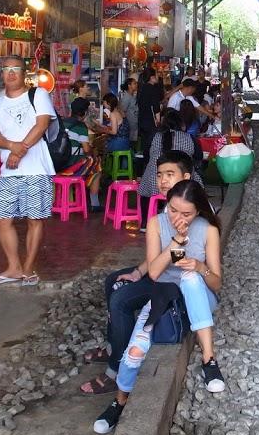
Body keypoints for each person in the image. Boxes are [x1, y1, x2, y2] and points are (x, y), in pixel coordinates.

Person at [93, 179, 224, 434]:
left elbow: (216, 283)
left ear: (198, 211)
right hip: (164, 298)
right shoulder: (156, 223)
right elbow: (154, 272)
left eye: (186, 213)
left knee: (190, 279)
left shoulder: (208, 230)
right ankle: (119, 401)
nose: (177, 216)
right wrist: (177, 240)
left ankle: (209, 360)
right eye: (173, 209)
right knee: (133, 354)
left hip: (199, 298)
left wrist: (200, 267)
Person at [80, 151, 194, 395]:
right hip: (160, 273)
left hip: (176, 284)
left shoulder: (192, 211)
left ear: (186, 177)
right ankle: (114, 347)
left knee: (121, 299)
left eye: (170, 175)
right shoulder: (168, 209)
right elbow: (159, 253)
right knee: (114, 280)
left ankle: (115, 371)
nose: (163, 181)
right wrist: (139, 271)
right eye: (160, 175)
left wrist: (156, 265)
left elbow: (183, 256)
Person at [0, 55, 56, 288]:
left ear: (25, 73)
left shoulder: (39, 95)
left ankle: (28, 269)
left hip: (36, 168)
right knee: (2, 219)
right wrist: (12, 147)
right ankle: (13, 267)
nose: (11, 73)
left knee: (35, 219)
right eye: (6, 69)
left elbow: (41, 124)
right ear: (1, 73)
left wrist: (19, 151)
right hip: (9, 171)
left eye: (16, 69)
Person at [138, 109, 196, 229]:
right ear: (181, 124)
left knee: (144, 189)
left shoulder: (156, 136)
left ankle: (144, 223)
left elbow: (147, 154)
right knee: (196, 181)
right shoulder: (188, 137)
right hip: (180, 183)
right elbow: (196, 156)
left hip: (155, 181)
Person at [63, 97, 102, 211]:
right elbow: (86, 150)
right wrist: (93, 149)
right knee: (97, 166)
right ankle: (95, 204)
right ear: (84, 113)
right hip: (71, 166)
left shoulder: (62, 122)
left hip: (57, 165)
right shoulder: (81, 127)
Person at [137, 68, 164, 166]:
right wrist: (158, 120)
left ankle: (144, 169)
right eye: (156, 75)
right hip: (150, 122)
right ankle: (151, 167)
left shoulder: (142, 88)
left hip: (142, 121)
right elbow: (155, 107)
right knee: (152, 146)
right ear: (152, 77)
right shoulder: (153, 89)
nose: (158, 77)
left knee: (145, 147)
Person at [118, 78, 139, 145]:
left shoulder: (133, 96)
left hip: (134, 124)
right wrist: (125, 122)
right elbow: (122, 111)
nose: (136, 85)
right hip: (129, 125)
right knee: (130, 143)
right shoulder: (126, 97)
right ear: (129, 85)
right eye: (134, 83)